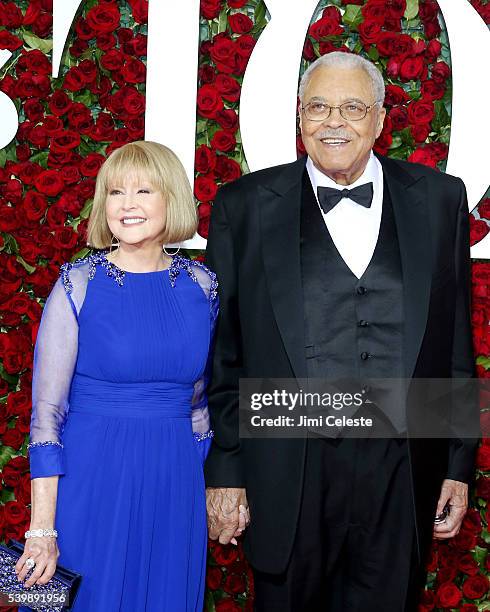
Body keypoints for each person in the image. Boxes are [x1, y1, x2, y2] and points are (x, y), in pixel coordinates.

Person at [204, 51, 478, 611]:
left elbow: (454, 340)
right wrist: (226, 471)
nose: (334, 122)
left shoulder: (440, 199)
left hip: (401, 467)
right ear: (299, 118)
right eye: (318, 107)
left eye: (352, 108)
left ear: (380, 119)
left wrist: (456, 463)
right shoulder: (245, 206)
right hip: (288, 461)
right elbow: (222, 351)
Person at [17, 141, 218, 611]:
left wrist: (200, 486)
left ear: (171, 199)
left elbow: (199, 405)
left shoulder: (202, 287)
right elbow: (46, 417)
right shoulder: (78, 284)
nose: (126, 205)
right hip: (92, 481)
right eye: (114, 192)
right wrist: (42, 528)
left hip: (173, 487)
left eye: (143, 190)